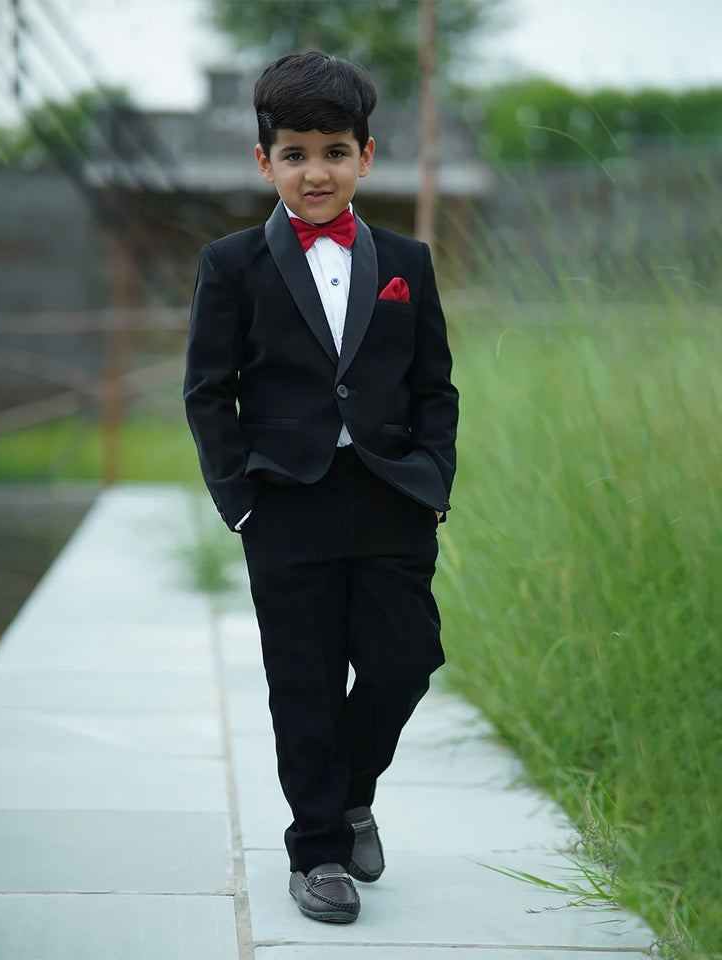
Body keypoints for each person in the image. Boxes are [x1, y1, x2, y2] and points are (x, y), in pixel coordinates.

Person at [184, 51, 459, 924]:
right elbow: (206, 389)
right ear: (265, 163)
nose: (316, 170)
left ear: (367, 157)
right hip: (285, 501)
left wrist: (435, 482)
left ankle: (349, 793)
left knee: (405, 659)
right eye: (295, 153)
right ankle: (317, 855)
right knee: (302, 680)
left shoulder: (406, 260)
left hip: (392, 496)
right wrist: (240, 499)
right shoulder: (232, 264)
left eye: (335, 151)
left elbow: (435, 387)